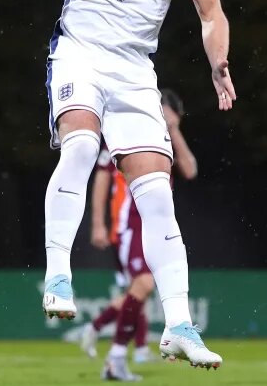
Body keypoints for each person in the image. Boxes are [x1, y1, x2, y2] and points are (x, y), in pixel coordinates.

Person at [13, 0, 234, 369]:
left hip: (136, 72)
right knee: (82, 146)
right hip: (80, 53)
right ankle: (58, 274)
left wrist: (218, 62)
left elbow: (211, 13)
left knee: (158, 196)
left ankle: (179, 325)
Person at [81, 89, 198, 381]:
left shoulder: (165, 137)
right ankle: (115, 356)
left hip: (155, 225)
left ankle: (107, 343)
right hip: (130, 222)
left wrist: (174, 130)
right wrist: (98, 223)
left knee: (138, 291)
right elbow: (103, 176)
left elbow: (190, 169)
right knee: (143, 284)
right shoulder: (127, 127)